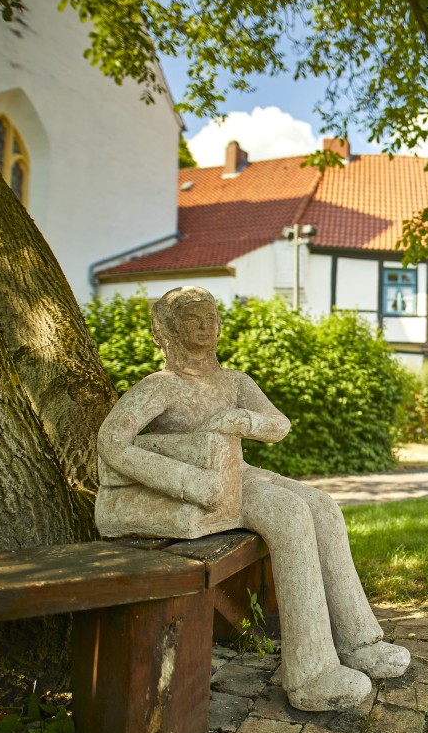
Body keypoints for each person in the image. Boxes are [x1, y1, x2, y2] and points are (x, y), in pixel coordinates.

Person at [96, 286, 408, 710]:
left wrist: (243, 419)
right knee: (289, 513)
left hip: (238, 475)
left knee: (324, 506)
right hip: (205, 489)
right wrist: (184, 480)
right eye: (193, 317)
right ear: (164, 329)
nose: (207, 324)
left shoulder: (235, 382)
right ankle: (311, 672)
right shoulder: (160, 387)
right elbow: (112, 441)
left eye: (212, 315)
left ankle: (358, 640)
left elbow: (279, 425)